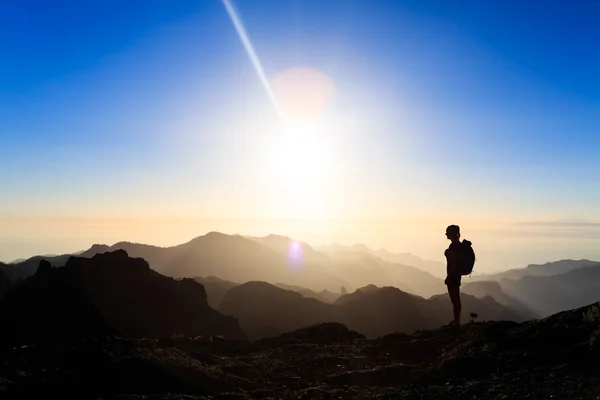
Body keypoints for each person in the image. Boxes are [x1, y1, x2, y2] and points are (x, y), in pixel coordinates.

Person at [444, 224, 462, 328]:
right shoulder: (457, 245)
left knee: (455, 300)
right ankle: (456, 320)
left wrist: (449, 277)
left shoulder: (454, 246)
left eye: (447, 232)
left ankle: (457, 322)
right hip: (456, 276)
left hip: (453, 276)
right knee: (456, 299)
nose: (446, 234)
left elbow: (453, 263)